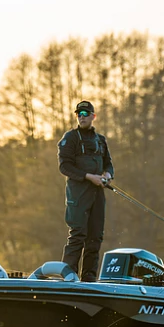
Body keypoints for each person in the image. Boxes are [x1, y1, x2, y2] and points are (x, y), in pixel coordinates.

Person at [58, 100, 114, 281]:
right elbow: (64, 167)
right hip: (78, 195)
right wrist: (89, 176)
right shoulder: (70, 138)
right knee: (77, 236)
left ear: (93, 116)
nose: (81, 118)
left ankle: (89, 279)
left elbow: (109, 164)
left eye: (85, 114)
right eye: (78, 114)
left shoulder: (101, 140)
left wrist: (107, 174)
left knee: (95, 237)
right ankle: (68, 277)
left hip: (98, 194)